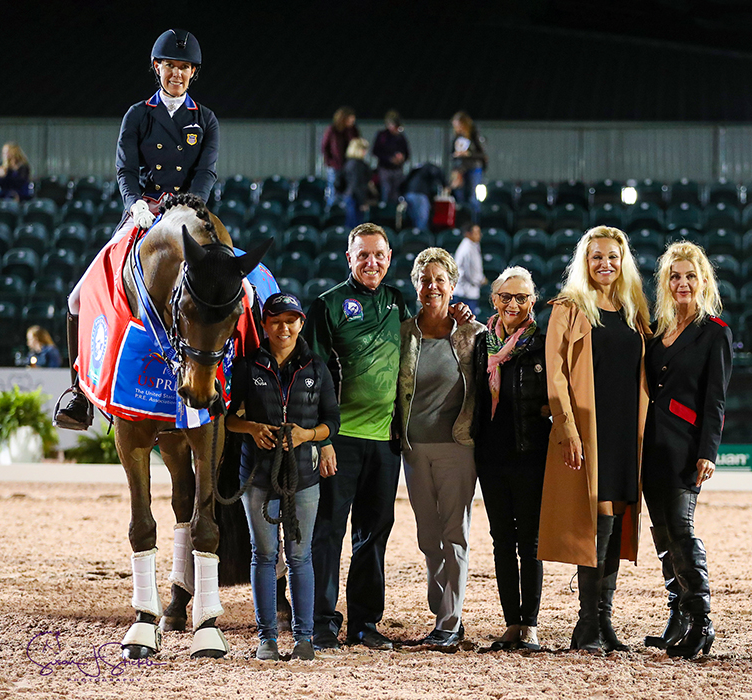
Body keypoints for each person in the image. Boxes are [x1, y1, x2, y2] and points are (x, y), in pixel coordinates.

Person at [305, 223, 474, 651]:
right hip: (339, 440)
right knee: (328, 532)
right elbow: (315, 375)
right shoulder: (326, 306)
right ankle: (323, 622)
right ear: (349, 257)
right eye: (362, 254)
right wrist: (322, 440)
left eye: (379, 255)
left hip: (385, 442)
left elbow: (433, 328)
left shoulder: (398, 302)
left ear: (389, 257)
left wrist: (460, 316)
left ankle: (364, 623)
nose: (371, 262)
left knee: (373, 535)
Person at [54, 28, 218, 432]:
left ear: (192, 73)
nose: (176, 74)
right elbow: (125, 168)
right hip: (143, 211)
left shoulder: (206, 119)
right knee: (77, 298)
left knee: (245, 290)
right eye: (170, 66)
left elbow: (206, 172)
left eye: (184, 67)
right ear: (157, 68)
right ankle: (79, 392)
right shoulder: (139, 114)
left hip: (188, 213)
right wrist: (134, 206)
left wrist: (188, 206)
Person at [537, 225, 650, 654]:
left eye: (613, 257)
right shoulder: (568, 307)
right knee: (597, 522)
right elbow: (556, 373)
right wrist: (567, 427)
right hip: (588, 429)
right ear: (585, 261)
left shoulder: (634, 309)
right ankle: (587, 623)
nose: (605, 263)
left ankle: (604, 622)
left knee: (617, 519)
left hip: (626, 429)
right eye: (597, 256)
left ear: (623, 263)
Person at [226, 292, 340, 662]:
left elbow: (332, 423)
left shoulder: (317, 368)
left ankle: (304, 637)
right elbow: (227, 418)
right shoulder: (246, 367)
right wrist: (251, 428)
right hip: (257, 474)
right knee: (263, 555)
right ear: (264, 325)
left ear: (300, 324)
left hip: (303, 478)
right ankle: (267, 639)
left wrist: (308, 435)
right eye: (276, 320)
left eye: (291, 320)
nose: (283, 327)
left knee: (299, 556)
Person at [642, 241, 732, 659]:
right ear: (666, 282)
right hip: (650, 446)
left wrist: (707, 451)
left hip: (685, 448)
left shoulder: (715, 332)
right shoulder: (657, 331)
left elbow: (715, 398)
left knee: (681, 530)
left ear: (702, 281)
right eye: (675, 276)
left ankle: (702, 622)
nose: (682, 283)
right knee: (662, 535)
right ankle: (677, 613)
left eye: (690, 276)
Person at [398, 248, 485, 647]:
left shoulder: (473, 333)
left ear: (452, 285)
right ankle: (443, 607)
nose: (432, 286)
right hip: (414, 449)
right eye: (424, 279)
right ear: (416, 285)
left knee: (454, 534)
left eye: (439, 279)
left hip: (457, 447)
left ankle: (449, 622)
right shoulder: (402, 333)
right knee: (427, 535)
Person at [471, 266, 550, 651]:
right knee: (501, 539)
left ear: (532, 301)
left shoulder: (544, 343)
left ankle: (531, 624)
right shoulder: (481, 342)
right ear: (495, 300)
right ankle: (511, 622)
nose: (513, 304)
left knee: (530, 542)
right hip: (492, 455)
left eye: (521, 298)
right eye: (506, 297)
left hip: (532, 453)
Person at [450, 112, 487, 217]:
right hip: (460, 170)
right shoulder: (456, 138)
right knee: (460, 197)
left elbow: (482, 155)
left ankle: (475, 224)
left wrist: (469, 154)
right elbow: (451, 155)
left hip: (474, 168)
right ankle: (463, 223)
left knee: (473, 199)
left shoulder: (474, 136)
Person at [321, 107, 360, 206]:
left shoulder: (353, 130)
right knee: (333, 189)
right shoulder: (332, 130)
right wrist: (329, 162)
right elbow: (325, 147)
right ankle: (332, 210)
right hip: (335, 165)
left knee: (347, 191)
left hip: (349, 166)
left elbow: (356, 144)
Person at [372, 110, 410, 204]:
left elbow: (407, 153)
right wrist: (389, 159)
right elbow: (375, 151)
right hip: (385, 169)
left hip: (397, 170)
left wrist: (402, 158)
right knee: (386, 192)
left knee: (397, 194)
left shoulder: (401, 137)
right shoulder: (382, 136)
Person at [401, 163, 448, 231]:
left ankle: (413, 236)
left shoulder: (416, 170)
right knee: (422, 220)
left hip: (408, 195)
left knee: (413, 219)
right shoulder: (432, 168)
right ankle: (422, 238)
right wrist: (444, 184)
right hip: (419, 195)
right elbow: (435, 173)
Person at [337, 138, 372, 229]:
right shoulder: (358, 165)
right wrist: (362, 202)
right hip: (355, 198)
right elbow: (357, 185)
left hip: (349, 196)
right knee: (356, 227)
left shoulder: (348, 163)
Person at [453, 223, 486, 317]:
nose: (479, 235)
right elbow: (472, 274)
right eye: (476, 233)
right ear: (468, 234)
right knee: (467, 326)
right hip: (466, 293)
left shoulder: (471, 246)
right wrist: (482, 280)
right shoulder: (468, 249)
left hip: (465, 292)